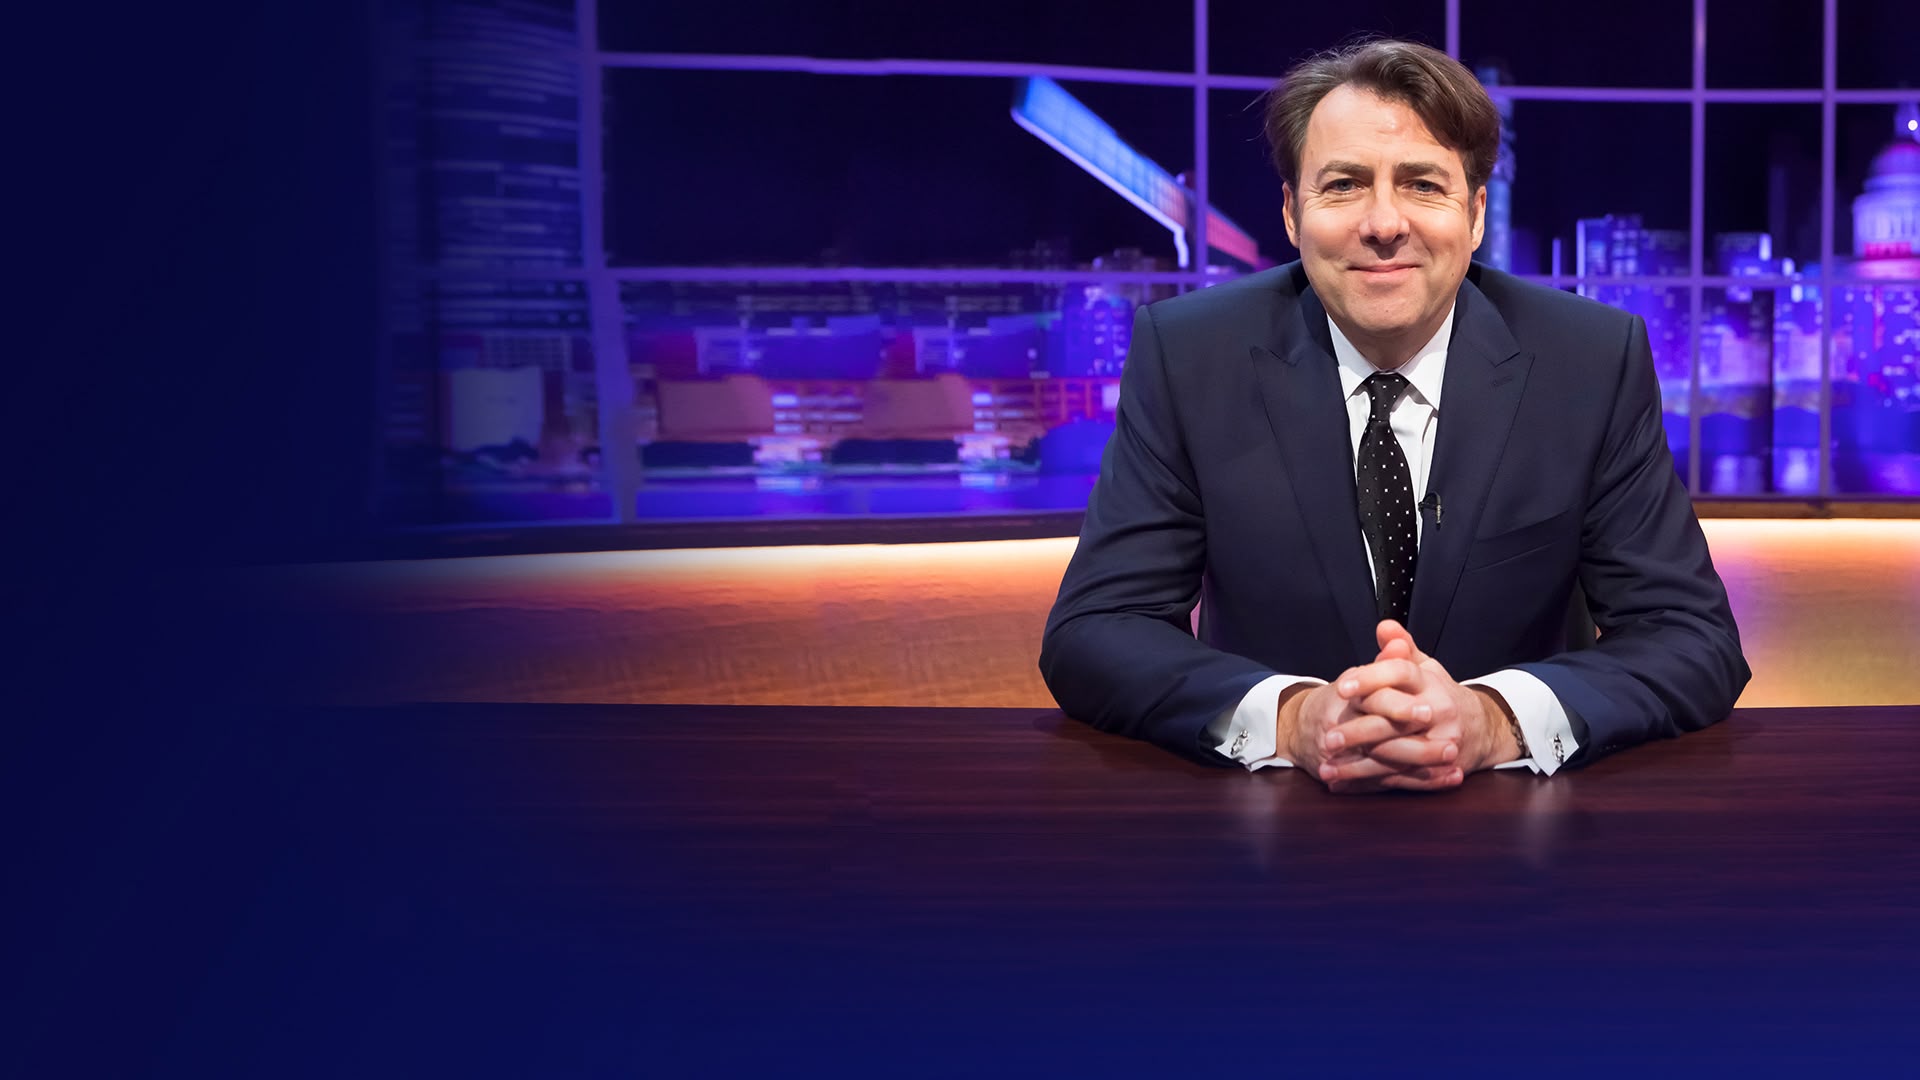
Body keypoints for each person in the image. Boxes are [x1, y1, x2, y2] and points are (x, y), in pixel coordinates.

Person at [1038, 39, 1749, 793]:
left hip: (1517, 819)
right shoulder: (1188, 356)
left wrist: (1491, 721)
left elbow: (1689, 637)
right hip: (1270, 817)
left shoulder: (1590, 361)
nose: (1384, 222)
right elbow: (1098, 628)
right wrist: (1292, 718)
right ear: (1292, 213)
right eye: (1344, 184)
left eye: (1422, 184)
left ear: (1476, 214)